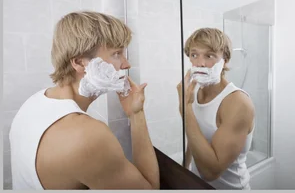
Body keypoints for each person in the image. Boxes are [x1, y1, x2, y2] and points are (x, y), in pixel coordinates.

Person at [9, 12, 159, 189]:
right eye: (117, 53)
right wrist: (137, 115)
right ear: (80, 63)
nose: (126, 65)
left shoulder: (34, 102)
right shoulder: (87, 136)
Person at [178, 28, 255, 189]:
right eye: (194, 55)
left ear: (225, 60)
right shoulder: (194, 91)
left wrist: (185, 109)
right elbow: (195, 136)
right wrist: (184, 170)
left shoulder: (238, 102)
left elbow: (210, 173)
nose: (200, 63)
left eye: (209, 55)